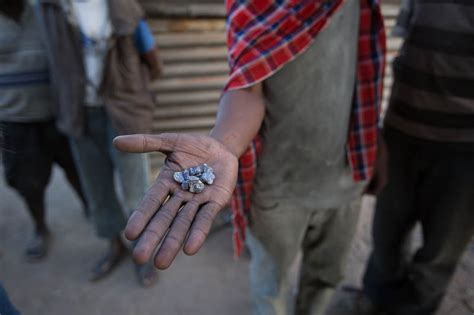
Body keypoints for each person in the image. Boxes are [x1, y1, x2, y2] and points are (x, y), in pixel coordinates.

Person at [113, 0, 386, 313]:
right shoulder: (254, 5)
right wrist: (224, 144)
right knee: (271, 283)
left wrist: (376, 143)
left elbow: (365, 73)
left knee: (327, 276)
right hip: (277, 191)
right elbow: (246, 87)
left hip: (345, 178)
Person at [348, 1, 474, 314]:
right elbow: (402, 51)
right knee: (386, 233)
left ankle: (413, 309)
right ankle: (377, 299)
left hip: (465, 150)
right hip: (401, 135)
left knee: (440, 251)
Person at [35, 0, 162, 285]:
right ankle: (113, 245)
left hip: (123, 112)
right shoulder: (50, 8)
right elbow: (51, 59)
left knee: (137, 190)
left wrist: (134, 94)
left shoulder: (123, 5)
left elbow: (150, 54)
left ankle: (142, 250)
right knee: (97, 189)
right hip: (79, 112)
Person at [0, 0, 88, 261]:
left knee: (76, 167)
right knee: (29, 182)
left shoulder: (44, 9)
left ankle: (90, 206)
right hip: (15, 120)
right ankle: (40, 227)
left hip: (57, 113)